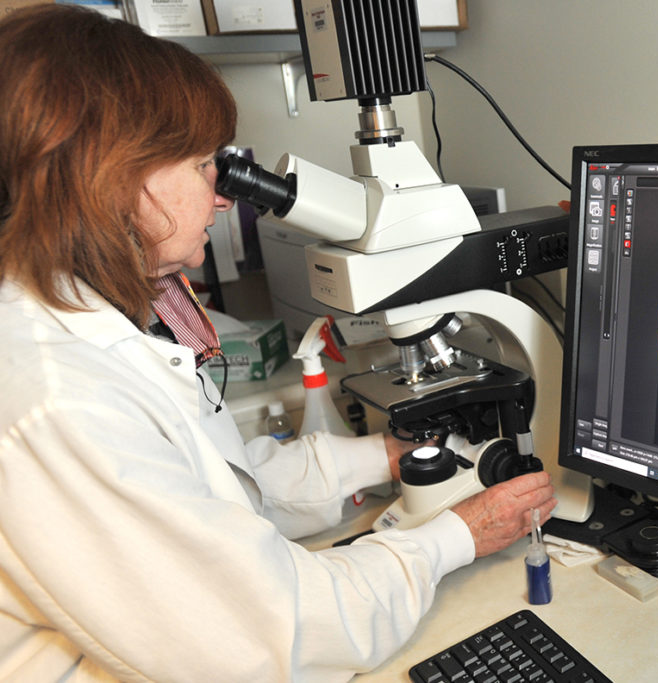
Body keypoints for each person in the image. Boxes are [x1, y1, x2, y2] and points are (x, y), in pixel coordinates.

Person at [0, 5, 557, 681]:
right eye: (206, 165)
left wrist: (382, 455)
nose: (224, 197)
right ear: (116, 176)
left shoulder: (87, 323)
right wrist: (456, 535)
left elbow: (221, 487)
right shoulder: (59, 398)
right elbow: (281, 628)